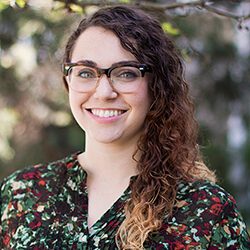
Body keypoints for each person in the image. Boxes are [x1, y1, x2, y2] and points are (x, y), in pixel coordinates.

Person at [0, 5, 249, 250]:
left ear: (157, 86)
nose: (104, 92)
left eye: (126, 73)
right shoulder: (22, 193)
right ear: (68, 81)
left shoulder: (205, 209)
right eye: (86, 72)